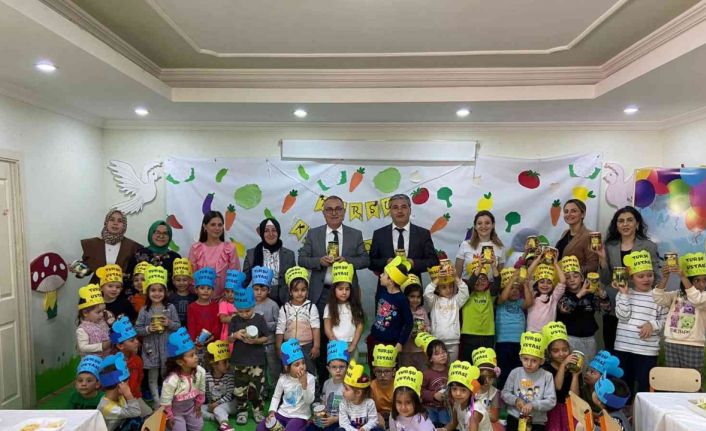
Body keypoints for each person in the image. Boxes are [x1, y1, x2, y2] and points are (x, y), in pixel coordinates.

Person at [298, 196, 369, 383]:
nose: (334, 212)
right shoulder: (314, 234)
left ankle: (349, 381)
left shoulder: (355, 234)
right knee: (322, 336)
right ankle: (324, 382)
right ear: (323, 213)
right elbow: (302, 259)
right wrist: (319, 261)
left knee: (348, 330)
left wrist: (347, 260)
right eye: (329, 209)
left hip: (347, 293)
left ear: (344, 212)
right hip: (322, 292)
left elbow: (365, 260)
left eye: (338, 208)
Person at [596, 206, 660, 353]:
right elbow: (605, 280)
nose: (625, 224)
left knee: (635, 348)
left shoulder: (648, 246)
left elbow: (655, 276)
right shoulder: (609, 246)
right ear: (616, 225)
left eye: (629, 220)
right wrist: (602, 259)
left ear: (637, 224)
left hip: (640, 306)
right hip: (614, 304)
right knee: (611, 347)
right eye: (621, 221)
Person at [614, 250, 667, 399]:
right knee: (623, 387)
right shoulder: (624, 293)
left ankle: (643, 411)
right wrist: (624, 294)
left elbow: (665, 321)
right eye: (641, 276)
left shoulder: (659, 296)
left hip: (647, 351)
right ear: (632, 278)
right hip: (624, 348)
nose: (646, 279)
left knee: (645, 387)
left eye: (649, 275)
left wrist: (652, 324)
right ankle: (625, 411)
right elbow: (622, 316)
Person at [370, 194, 438, 304]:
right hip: (386, 293)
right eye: (395, 207)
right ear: (390, 211)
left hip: (413, 294)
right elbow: (371, 262)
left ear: (410, 210)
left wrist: (413, 263)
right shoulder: (379, 234)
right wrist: (386, 262)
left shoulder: (423, 234)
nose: (400, 211)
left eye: (404, 207)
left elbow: (433, 261)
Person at [135, 265, 180, 408]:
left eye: (160, 290)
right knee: (152, 377)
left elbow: (178, 326)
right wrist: (148, 329)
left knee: (166, 375)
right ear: (147, 292)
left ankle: (167, 401)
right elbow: (138, 329)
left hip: (167, 349)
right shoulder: (144, 310)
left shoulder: (170, 308)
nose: (157, 293)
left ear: (165, 292)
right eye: (153, 290)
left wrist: (169, 323)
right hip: (150, 349)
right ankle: (156, 402)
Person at [653, 252, 706, 375]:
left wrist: (682, 276)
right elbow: (658, 298)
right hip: (671, 343)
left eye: (705, 280)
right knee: (674, 381)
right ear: (689, 280)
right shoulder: (677, 295)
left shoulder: (703, 296)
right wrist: (665, 277)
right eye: (697, 280)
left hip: (693, 345)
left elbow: (696, 299)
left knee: (692, 381)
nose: (701, 284)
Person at [556, 255, 610, 362]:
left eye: (575, 276)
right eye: (568, 277)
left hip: (589, 338)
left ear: (582, 278)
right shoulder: (562, 295)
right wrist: (580, 294)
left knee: (588, 367)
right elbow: (565, 308)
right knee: (571, 368)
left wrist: (602, 295)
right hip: (569, 338)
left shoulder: (590, 294)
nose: (572, 280)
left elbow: (607, 309)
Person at [228, 284, 269, 424]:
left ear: (254, 306)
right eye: (241, 311)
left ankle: (258, 411)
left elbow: (266, 337)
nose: (245, 314)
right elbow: (228, 338)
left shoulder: (259, 319)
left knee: (257, 388)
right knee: (240, 388)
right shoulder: (235, 320)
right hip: (240, 361)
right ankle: (242, 411)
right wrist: (235, 335)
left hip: (257, 361)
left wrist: (256, 341)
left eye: (248, 310)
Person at [501, 331, 557, 431]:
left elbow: (551, 401)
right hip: (514, 418)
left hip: (536, 423)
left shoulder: (547, 376)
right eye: (526, 359)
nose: (529, 364)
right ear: (520, 357)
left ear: (542, 361)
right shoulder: (515, 373)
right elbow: (504, 393)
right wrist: (516, 400)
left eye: (534, 360)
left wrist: (533, 405)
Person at [258, 338, 316, 431]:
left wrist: (304, 385)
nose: (302, 367)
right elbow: (276, 397)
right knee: (261, 427)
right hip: (282, 413)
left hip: (300, 417)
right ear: (287, 368)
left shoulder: (310, 378)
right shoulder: (283, 379)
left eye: (303, 363)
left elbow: (309, 401)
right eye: (297, 365)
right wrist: (272, 412)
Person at [367, 257, 413, 367]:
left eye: (384, 274)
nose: (381, 276)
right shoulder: (382, 291)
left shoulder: (401, 299)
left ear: (391, 281)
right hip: (375, 339)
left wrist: (400, 343)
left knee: (389, 370)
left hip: (390, 343)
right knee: (374, 367)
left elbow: (409, 322)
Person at [277, 266, 320, 379]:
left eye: (303, 290)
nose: (300, 293)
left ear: (307, 291)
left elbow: (316, 327)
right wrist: (279, 347)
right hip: (289, 347)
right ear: (290, 292)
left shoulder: (311, 307)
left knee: (309, 372)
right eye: (296, 290)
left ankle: (312, 390)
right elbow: (280, 329)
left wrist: (316, 346)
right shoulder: (285, 308)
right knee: (290, 374)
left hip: (307, 346)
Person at [161, 328, 207, 431]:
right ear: (180, 362)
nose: (196, 357)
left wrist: (198, 405)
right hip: (176, 413)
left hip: (191, 408)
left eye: (195, 353)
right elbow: (165, 402)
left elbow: (201, 390)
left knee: (198, 427)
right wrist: (169, 417)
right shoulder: (171, 380)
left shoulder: (200, 371)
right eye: (191, 355)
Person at [243, 218, 297, 305]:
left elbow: (294, 281)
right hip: (259, 300)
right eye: (266, 231)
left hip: (284, 301)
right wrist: (232, 294)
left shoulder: (289, 255)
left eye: (274, 230)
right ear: (262, 233)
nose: (271, 234)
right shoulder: (251, 254)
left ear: (278, 232)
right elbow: (244, 281)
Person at [80, 209, 142, 285]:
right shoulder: (93, 244)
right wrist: (77, 269)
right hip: (97, 288)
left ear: (124, 225)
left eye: (120, 221)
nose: (115, 223)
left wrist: (127, 276)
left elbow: (136, 273)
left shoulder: (132, 246)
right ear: (106, 222)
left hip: (121, 288)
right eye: (112, 220)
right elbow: (87, 270)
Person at [495, 268, 533, 390]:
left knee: (517, 371)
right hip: (503, 342)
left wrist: (525, 285)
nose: (515, 291)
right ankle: (502, 393)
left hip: (519, 342)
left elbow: (529, 303)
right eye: (512, 288)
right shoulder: (500, 301)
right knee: (503, 372)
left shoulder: (520, 302)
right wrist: (512, 279)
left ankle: (515, 393)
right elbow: (503, 296)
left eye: (517, 288)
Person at [189, 211, 241, 298]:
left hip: (225, 300)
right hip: (201, 300)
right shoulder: (195, 249)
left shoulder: (230, 249)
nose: (217, 228)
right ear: (205, 226)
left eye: (220, 225)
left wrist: (226, 297)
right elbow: (192, 278)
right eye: (213, 225)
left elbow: (235, 277)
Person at [541, 322, 579, 431]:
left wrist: (575, 376)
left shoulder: (572, 366)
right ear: (549, 352)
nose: (561, 354)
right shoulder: (546, 368)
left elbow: (574, 397)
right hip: (553, 410)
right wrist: (563, 365)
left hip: (570, 409)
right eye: (556, 351)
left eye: (565, 350)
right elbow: (557, 387)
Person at [111, 316, 152, 417]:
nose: (137, 342)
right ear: (120, 346)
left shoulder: (137, 360)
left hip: (134, 397)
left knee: (149, 415)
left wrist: (136, 395)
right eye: (132, 340)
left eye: (136, 338)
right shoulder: (112, 363)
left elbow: (140, 378)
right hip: (118, 400)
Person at [460, 258, 500, 361]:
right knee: (468, 363)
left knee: (486, 364)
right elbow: (471, 283)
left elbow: (497, 282)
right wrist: (480, 266)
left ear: (488, 282)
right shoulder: (466, 294)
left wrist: (493, 266)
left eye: (483, 279)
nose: (480, 282)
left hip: (487, 335)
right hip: (469, 335)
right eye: (477, 279)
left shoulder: (490, 294)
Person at [126, 220, 182, 291]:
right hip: (139, 296)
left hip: (167, 297)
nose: (161, 236)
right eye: (157, 232)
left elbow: (180, 282)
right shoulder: (139, 254)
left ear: (170, 236)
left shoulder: (175, 257)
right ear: (151, 234)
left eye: (165, 233)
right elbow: (129, 278)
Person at [323, 262, 365, 355]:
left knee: (352, 365)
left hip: (351, 344)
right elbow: (327, 328)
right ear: (334, 290)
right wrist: (335, 343)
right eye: (340, 289)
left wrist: (353, 344)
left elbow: (359, 326)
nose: (344, 292)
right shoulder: (329, 306)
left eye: (347, 289)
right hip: (335, 345)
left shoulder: (354, 305)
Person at [97, 353, 144, 431]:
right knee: (136, 421)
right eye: (127, 383)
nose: (128, 385)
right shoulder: (107, 408)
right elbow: (136, 412)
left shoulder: (119, 397)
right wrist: (128, 395)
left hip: (119, 426)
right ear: (120, 385)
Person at [311, 340, 349, 431]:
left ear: (347, 367)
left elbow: (353, 411)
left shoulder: (349, 386)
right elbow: (323, 402)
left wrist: (335, 419)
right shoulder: (327, 383)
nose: (338, 370)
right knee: (310, 427)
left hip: (342, 421)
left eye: (341, 367)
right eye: (334, 367)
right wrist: (319, 415)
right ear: (328, 369)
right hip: (328, 419)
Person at [253, 271, 281, 394]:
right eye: (256, 289)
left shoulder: (273, 305)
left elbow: (279, 324)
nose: (259, 292)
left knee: (274, 368)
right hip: (256, 344)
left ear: (269, 290)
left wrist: (265, 324)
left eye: (263, 290)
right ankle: (262, 391)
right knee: (259, 369)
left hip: (270, 343)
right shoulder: (250, 304)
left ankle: (277, 391)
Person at [455, 211, 505, 279]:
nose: (483, 226)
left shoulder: (500, 247)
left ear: (493, 225)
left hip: (491, 285)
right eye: (479, 223)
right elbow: (457, 276)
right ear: (475, 226)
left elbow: (499, 277)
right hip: (466, 285)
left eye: (487, 223)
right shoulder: (465, 245)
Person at [554, 199, 598, 273]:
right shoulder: (565, 233)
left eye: (573, 211)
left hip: (576, 280)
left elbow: (593, 265)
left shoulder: (592, 236)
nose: (569, 214)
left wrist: (574, 272)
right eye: (566, 211)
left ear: (583, 214)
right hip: (560, 278)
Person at [416, 333, 450, 427]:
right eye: (437, 353)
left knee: (445, 423)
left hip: (445, 407)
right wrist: (434, 395)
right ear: (430, 358)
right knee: (429, 424)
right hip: (430, 407)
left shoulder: (450, 371)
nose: (442, 355)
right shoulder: (426, 374)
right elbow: (420, 391)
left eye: (444, 352)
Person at [187, 267, 220, 362]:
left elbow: (218, 324)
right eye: (202, 288)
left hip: (213, 343)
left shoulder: (216, 306)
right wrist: (194, 341)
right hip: (198, 344)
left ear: (212, 291)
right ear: (196, 290)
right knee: (200, 366)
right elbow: (191, 326)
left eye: (209, 288)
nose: (205, 291)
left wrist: (213, 335)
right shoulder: (192, 307)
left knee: (212, 365)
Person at [202, 341, 236, 431]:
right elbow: (206, 393)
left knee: (218, 409)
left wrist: (216, 404)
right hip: (214, 404)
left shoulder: (229, 376)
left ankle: (225, 424)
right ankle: (216, 417)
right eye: (225, 362)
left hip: (230, 403)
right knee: (198, 409)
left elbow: (229, 395)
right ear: (214, 364)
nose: (228, 364)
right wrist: (211, 404)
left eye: (228, 361)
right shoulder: (207, 377)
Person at [338, 359, 382, 431]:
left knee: (378, 429)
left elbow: (373, 421)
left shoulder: (370, 403)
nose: (343, 391)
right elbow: (343, 423)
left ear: (358, 393)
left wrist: (364, 428)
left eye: (346, 389)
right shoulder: (343, 404)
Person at [526, 256, 566, 332]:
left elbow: (563, 281)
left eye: (549, 282)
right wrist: (537, 260)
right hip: (531, 333)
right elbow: (526, 276)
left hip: (548, 333)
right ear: (537, 284)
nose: (545, 285)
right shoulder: (532, 293)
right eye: (542, 282)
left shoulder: (554, 297)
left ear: (553, 285)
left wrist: (555, 264)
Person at [390, 367, 435, 431]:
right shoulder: (393, 415)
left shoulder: (423, 424)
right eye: (399, 402)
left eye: (408, 402)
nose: (403, 407)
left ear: (416, 401)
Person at [399, 275, 430, 370]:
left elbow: (429, 326)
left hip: (420, 350)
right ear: (406, 297)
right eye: (412, 296)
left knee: (422, 372)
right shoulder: (402, 311)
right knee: (406, 371)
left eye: (418, 297)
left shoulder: (423, 311)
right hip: (406, 350)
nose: (415, 300)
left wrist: (425, 330)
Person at [76, 283, 112, 358]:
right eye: (98, 312)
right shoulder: (82, 329)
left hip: (106, 357)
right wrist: (101, 346)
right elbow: (83, 347)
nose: (102, 314)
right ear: (85, 313)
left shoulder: (101, 322)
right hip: (93, 361)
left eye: (103, 311)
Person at [446, 360, 483, 431]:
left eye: (463, 390)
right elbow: (453, 423)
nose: (458, 393)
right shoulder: (457, 403)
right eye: (454, 389)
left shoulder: (474, 413)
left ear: (471, 391)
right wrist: (443, 429)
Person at [471, 347, 502, 431]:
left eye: (490, 377)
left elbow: (494, 418)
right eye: (483, 377)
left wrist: (480, 411)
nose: (487, 381)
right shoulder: (470, 388)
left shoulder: (495, 393)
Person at [370, 344, 397, 428]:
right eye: (379, 371)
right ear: (374, 372)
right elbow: (369, 408)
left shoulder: (398, 385)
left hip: (396, 415)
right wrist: (377, 415)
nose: (382, 375)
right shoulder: (371, 386)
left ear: (393, 372)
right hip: (377, 416)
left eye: (387, 371)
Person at [169, 258, 197, 328]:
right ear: (173, 281)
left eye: (185, 280)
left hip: (190, 329)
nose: (181, 283)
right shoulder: (170, 298)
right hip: (174, 329)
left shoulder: (194, 298)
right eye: (178, 280)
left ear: (190, 281)